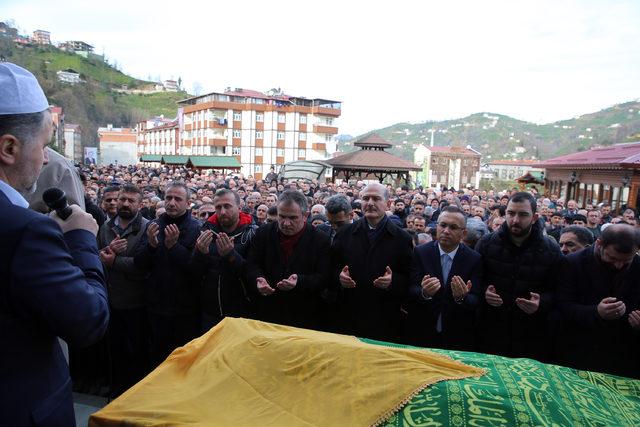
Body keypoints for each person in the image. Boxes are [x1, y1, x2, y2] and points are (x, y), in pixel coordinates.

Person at [0, 62, 109, 425]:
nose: (47, 158)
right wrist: (81, 239)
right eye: (45, 145)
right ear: (9, 147)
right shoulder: (25, 231)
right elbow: (88, 319)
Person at [475, 192, 562, 361]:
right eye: (511, 213)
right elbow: (474, 280)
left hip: (530, 334)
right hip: (491, 330)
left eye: (523, 215)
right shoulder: (486, 243)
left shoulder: (550, 249)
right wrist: (484, 292)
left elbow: (557, 289)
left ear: (535, 217)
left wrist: (541, 303)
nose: (515, 220)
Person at [331, 183, 413, 342]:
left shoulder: (402, 238)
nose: (370, 203)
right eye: (365, 198)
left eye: (376, 198)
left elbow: (409, 277)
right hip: (348, 316)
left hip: (384, 319)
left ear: (388, 204)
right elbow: (330, 268)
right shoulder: (344, 234)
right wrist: (339, 277)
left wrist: (392, 281)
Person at [557, 224, 640, 378]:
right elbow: (562, 306)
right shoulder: (573, 263)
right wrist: (596, 312)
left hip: (624, 356)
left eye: (626, 261)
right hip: (581, 351)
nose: (618, 265)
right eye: (613, 258)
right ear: (599, 243)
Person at [134, 182, 202, 366]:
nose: (172, 203)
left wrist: (174, 247)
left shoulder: (197, 228)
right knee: (158, 355)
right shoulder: (154, 225)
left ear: (188, 203)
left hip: (185, 308)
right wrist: (151, 245)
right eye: (168, 198)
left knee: (184, 358)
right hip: (157, 305)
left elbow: (197, 268)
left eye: (178, 199)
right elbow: (139, 263)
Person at [245, 190, 331, 330]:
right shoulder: (263, 233)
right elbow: (251, 264)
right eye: (282, 216)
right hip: (267, 313)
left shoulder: (320, 240)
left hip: (305, 316)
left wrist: (300, 281)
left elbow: (324, 277)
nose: (285, 223)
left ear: (305, 216)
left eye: (292, 218)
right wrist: (258, 278)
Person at [97, 184, 150, 395]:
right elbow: (97, 254)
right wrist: (107, 252)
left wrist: (114, 261)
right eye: (122, 199)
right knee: (115, 351)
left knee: (137, 352)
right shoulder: (106, 227)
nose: (125, 204)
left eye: (131, 201)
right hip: (111, 301)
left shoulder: (147, 228)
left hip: (137, 301)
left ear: (140, 205)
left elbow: (143, 265)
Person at [407, 206, 481, 350]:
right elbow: (411, 288)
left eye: (453, 227)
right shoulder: (421, 252)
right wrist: (424, 293)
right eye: (443, 225)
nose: (446, 231)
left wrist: (462, 297)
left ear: (463, 233)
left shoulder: (474, 259)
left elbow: (476, 299)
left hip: (457, 335)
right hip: (423, 331)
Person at [191, 188, 257, 332]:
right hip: (210, 311)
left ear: (239, 207)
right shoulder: (204, 231)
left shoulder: (253, 233)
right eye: (218, 207)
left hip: (242, 311)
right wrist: (200, 254)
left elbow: (253, 273)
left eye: (227, 206)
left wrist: (231, 256)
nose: (222, 212)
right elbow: (195, 272)